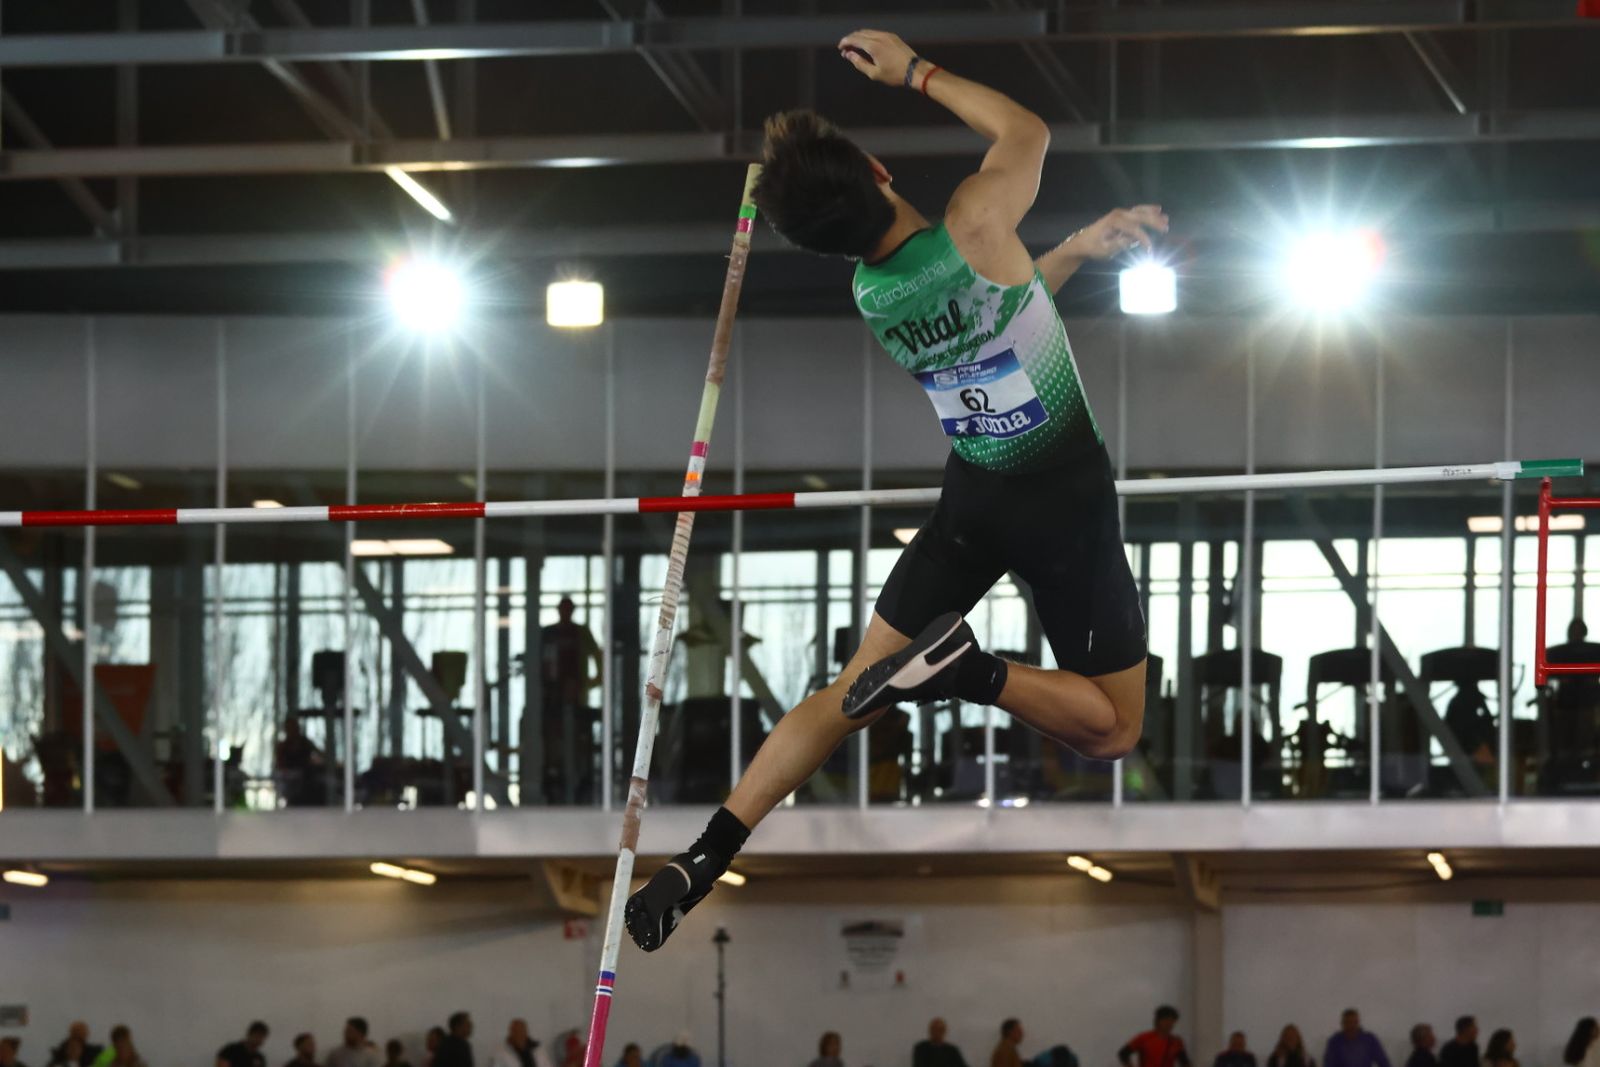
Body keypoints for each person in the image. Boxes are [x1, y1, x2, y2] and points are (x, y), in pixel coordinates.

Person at [625, 24, 1159, 952]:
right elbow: (1028, 131)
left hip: (974, 502)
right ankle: (976, 673)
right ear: (877, 166)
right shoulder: (973, 220)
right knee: (1113, 730)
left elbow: (1012, 304)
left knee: (849, 692)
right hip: (1063, 501)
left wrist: (1076, 246)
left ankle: (708, 851)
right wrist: (918, 70)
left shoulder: (877, 292)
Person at [1121, 1007, 1192, 1067]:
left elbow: (1185, 1062)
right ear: (1158, 1021)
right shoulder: (1144, 1038)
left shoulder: (1176, 1042)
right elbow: (1123, 1053)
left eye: (1172, 1021)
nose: (1169, 1024)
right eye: (1166, 1020)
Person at [1322, 1010, 1391, 1067]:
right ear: (1342, 1024)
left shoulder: (1369, 1040)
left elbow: (1383, 1061)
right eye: (1348, 1022)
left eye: (1354, 1022)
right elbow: (1328, 1064)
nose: (1351, 1025)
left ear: (1358, 1023)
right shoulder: (1335, 1041)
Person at [484, 1021, 551, 1067]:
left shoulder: (539, 1050)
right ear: (511, 1033)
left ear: (526, 1032)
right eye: (516, 1031)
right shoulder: (500, 1053)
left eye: (522, 1031)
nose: (519, 1034)